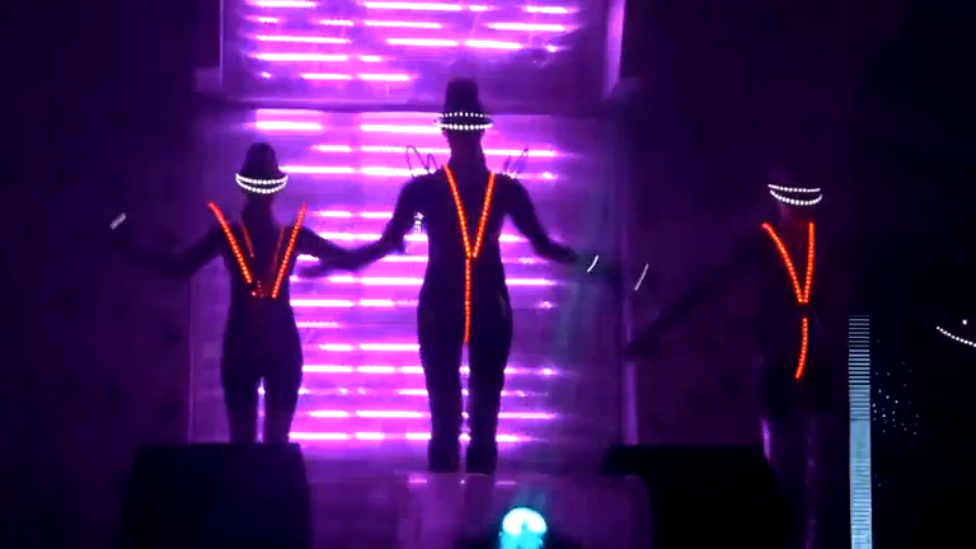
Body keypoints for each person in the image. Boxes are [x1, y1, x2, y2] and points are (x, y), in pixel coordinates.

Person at [305, 79, 599, 473]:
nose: (463, 138)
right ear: (476, 129)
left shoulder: (434, 190)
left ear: (449, 130)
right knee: (467, 423)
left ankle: (455, 506)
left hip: (454, 309)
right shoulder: (494, 190)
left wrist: (336, 263)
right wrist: (603, 269)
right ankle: (464, 506)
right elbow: (545, 247)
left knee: (460, 423)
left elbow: (384, 245)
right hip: (477, 309)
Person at [111, 143, 391, 443]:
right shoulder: (290, 237)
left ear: (244, 186)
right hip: (278, 343)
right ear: (275, 189)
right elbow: (349, 260)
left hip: (243, 341)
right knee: (273, 445)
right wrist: (389, 243)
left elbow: (178, 269)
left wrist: (128, 243)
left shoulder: (229, 235)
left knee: (244, 444)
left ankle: (254, 476)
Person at [626, 165, 837, 549]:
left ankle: (813, 540)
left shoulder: (824, 242)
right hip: (779, 358)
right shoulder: (764, 242)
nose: (799, 212)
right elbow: (707, 285)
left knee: (821, 466)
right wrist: (653, 333)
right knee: (781, 465)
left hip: (819, 360)